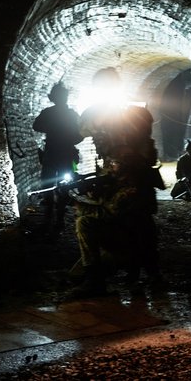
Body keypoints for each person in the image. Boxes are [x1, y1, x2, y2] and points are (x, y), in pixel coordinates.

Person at [69, 144, 161, 298]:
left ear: (126, 166)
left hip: (128, 245)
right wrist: (93, 193)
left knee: (84, 223)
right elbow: (108, 203)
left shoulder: (132, 188)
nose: (110, 166)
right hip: (122, 236)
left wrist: (79, 204)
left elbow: (108, 213)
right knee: (74, 277)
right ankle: (97, 277)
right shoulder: (121, 182)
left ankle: (96, 282)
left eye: (114, 163)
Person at [32, 81, 84, 234]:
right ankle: (58, 221)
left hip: (52, 154)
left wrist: (52, 128)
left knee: (48, 186)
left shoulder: (49, 113)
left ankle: (50, 221)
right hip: (65, 154)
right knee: (63, 187)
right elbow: (81, 133)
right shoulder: (72, 114)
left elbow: (37, 126)